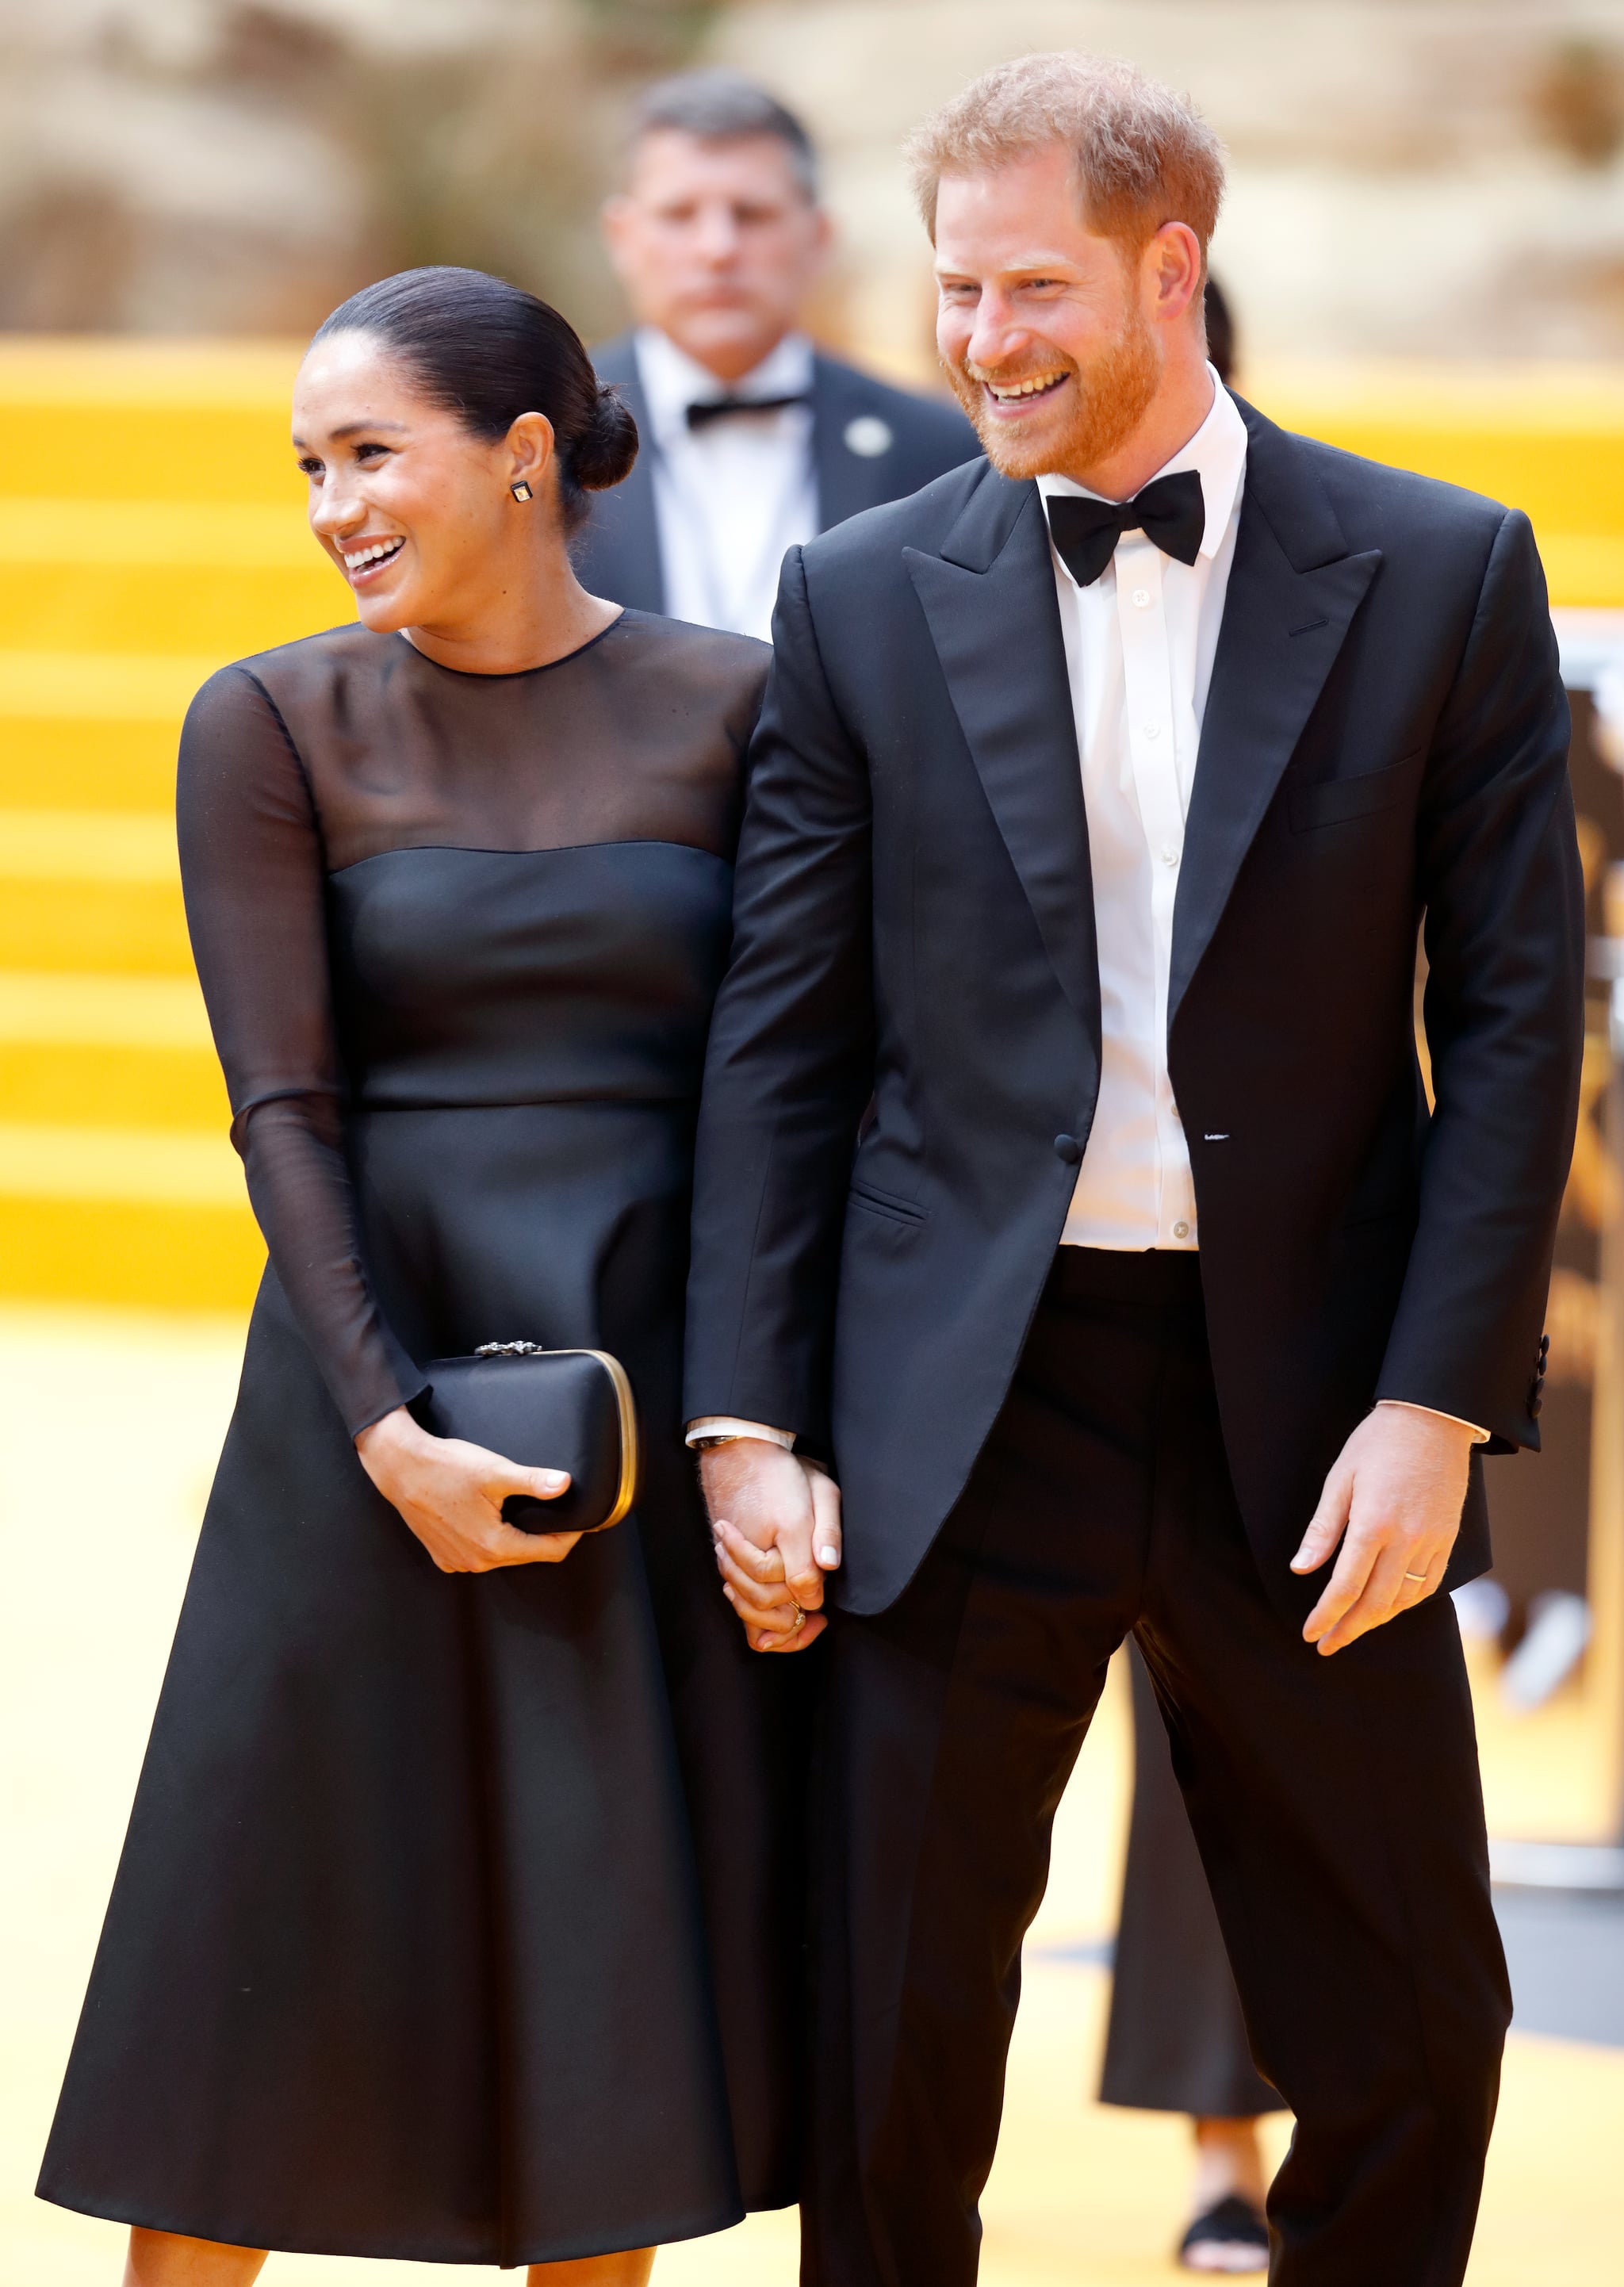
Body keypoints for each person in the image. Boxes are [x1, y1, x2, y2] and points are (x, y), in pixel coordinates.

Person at [683, 50, 1582, 2287]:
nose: (976, 339)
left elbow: (1507, 1018)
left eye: (1028, 290)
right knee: (888, 2044)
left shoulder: (1450, 571)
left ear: (1169, 269)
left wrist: (1436, 1398)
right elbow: (783, 1042)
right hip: (959, 1405)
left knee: (1412, 2029)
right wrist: (745, 1419)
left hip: (1315, 1405)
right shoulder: (862, 593)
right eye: (952, 290)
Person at [37, 266, 803, 2285]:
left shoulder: (740, 702)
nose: (329, 502)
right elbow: (279, 1102)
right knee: (246, 1997)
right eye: (309, 464)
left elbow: (781, 1097)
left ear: (524, 459)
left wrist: (745, 1425)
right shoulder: (272, 718)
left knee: (597, 1985)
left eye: (370, 452)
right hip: (356, 1400)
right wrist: (381, 1429)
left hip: (622, 1401)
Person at [1097, 269, 1284, 2281]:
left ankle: (1224, 2149)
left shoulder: (1369, 577)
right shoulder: (906, 555)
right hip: (965, 1269)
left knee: (1219, 1746)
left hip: (1249, 1284)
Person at [579, 67, 977, 638]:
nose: (717, 249)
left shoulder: (944, 450)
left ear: (817, 237)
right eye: (679, 215)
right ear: (622, 237)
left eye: (751, 214)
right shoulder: (545, 439)